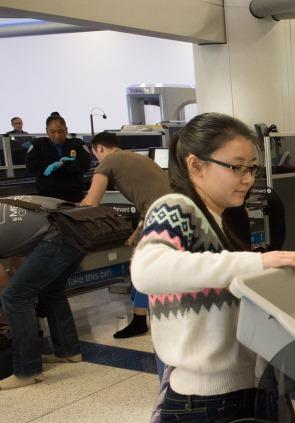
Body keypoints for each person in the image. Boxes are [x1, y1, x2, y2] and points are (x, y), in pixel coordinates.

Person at [130, 113, 295, 423]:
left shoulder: (219, 219)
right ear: (195, 165)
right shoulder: (176, 208)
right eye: (236, 167)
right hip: (206, 403)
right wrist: (256, 262)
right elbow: (147, 270)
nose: (247, 179)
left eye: (252, 169)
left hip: (237, 393)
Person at [82, 130, 172, 338]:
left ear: (99, 148)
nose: (97, 159)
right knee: (148, 264)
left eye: (95, 154)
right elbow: (153, 196)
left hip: (156, 216)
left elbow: (91, 203)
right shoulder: (138, 158)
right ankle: (152, 313)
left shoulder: (107, 162)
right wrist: (137, 231)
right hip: (169, 212)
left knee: (142, 267)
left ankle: (140, 321)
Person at [0, 195, 85, 390]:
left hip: (58, 234)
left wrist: (8, 312)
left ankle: (28, 372)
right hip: (77, 226)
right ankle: (68, 351)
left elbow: (3, 283)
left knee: (15, 297)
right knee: (51, 289)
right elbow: (17, 256)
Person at [25, 113, 89, 203]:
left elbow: (85, 165)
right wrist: (51, 165)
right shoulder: (38, 145)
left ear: (66, 130)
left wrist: (64, 164)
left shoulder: (77, 144)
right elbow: (31, 167)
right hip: (47, 195)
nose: (57, 135)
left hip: (74, 194)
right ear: (47, 131)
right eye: (52, 132)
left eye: (60, 131)